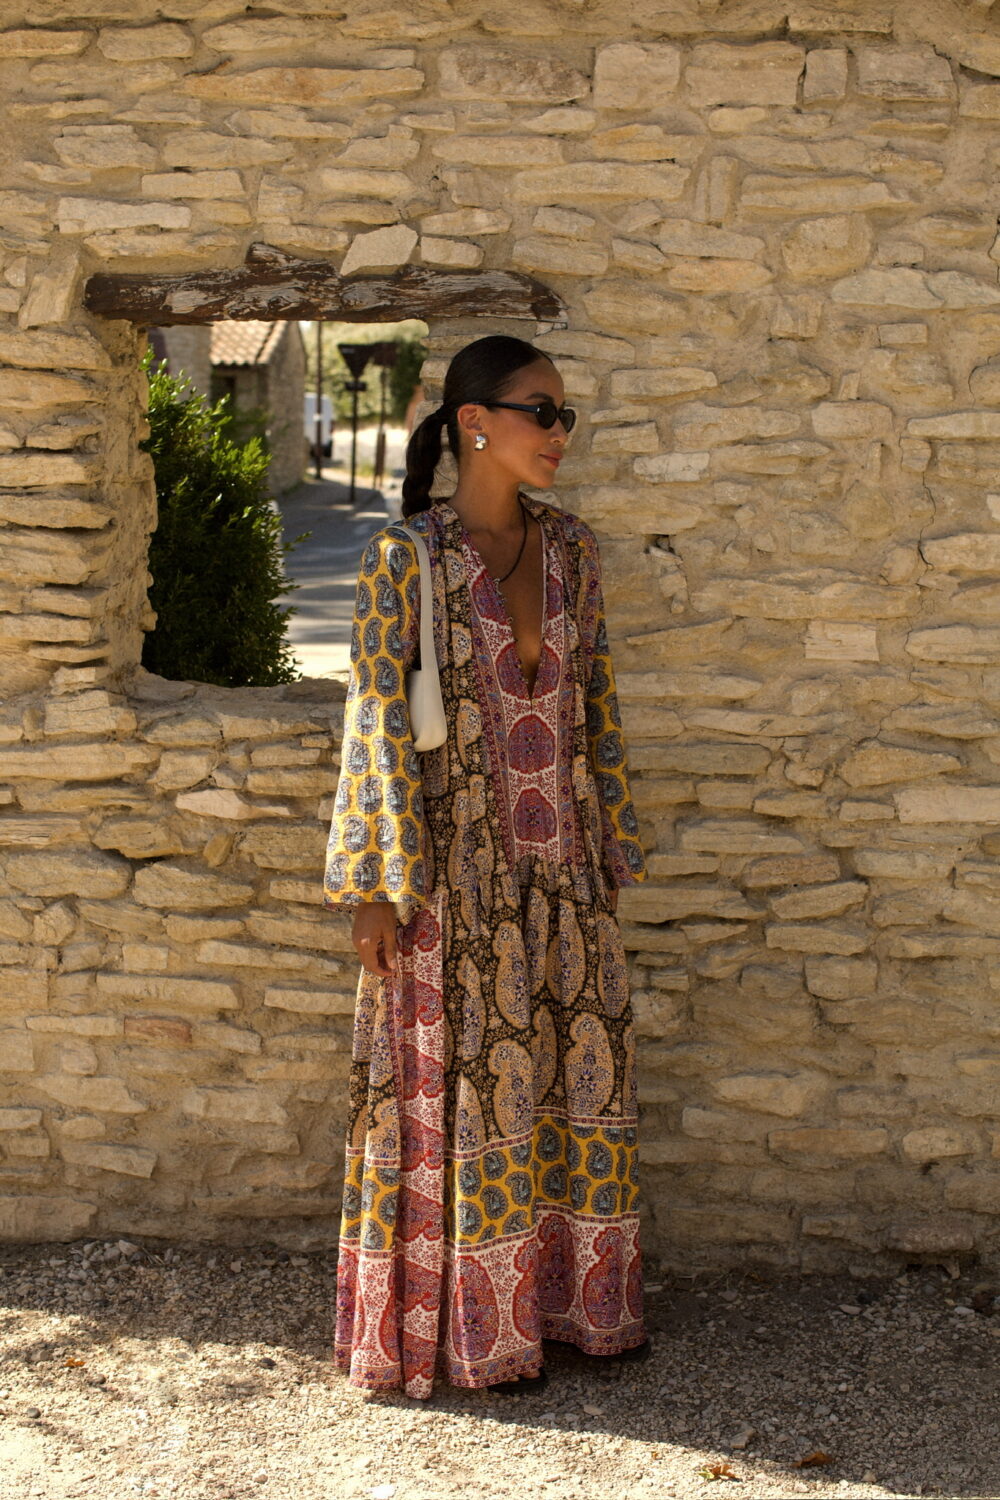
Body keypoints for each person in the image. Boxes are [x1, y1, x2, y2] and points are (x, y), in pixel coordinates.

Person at [324, 333, 648, 1399]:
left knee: (567, 1095)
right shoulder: (403, 558)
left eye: (565, 415)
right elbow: (373, 722)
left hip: (562, 879)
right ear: (474, 421)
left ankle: (568, 1312)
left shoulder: (573, 551)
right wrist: (373, 888)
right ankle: (466, 1330)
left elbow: (596, 704)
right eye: (540, 411)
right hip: (449, 883)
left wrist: (610, 846)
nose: (560, 432)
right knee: (460, 1107)